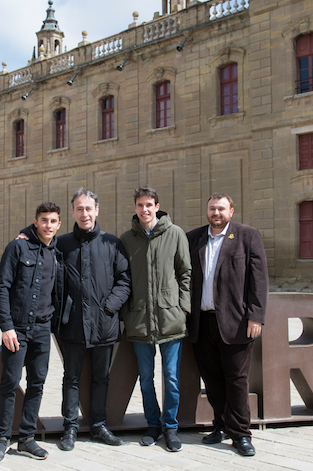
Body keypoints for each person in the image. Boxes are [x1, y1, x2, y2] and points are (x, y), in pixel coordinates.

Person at [37, 187, 131, 451]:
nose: (84, 213)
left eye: (89, 208)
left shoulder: (112, 243)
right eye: (79, 208)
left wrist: (109, 308)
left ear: (97, 210)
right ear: (73, 212)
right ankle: (70, 427)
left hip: (105, 324)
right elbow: (40, 236)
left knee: (101, 378)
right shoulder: (62, 243)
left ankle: (99, 425)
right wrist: (25, 231)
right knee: (72, 378)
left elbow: (124, 280)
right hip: (73, 324)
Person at [185, 193, 268, 457]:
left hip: (236, 322)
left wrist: (256, 315)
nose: (216, 213)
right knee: (212, 380)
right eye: (212, 209)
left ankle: (241, 434)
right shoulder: (193, 238)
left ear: (231, 211)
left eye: (221, 208)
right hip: (202, 322)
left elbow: (259, 279)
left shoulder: (247, 236)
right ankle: (220, 425)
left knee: (236, 380)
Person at [0, 202, 64, 464]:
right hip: (17, 329)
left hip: (43, 329)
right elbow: (2, 287)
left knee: (37, 383)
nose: (48, 225)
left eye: (53, 221)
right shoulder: (17, 247)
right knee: (9, 383)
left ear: (58, 224)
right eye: (43, 220)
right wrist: (6, 326)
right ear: (35, 222)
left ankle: (27, 439)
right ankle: (1, 439)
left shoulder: (57, 252)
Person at [120, 187, 191, 452]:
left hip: (170, 319)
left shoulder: (175, 234)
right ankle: (153, 424)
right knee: (146, 378)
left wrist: (183, 307)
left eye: (149, 204)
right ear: (136, 208)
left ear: (157, 206)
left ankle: (170, 427)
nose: (145, 209)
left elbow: (185, 272)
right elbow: (122, 279)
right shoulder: (127, 239)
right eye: (140, 205)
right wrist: (127, 313)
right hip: (139, 320)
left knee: (171, 377)